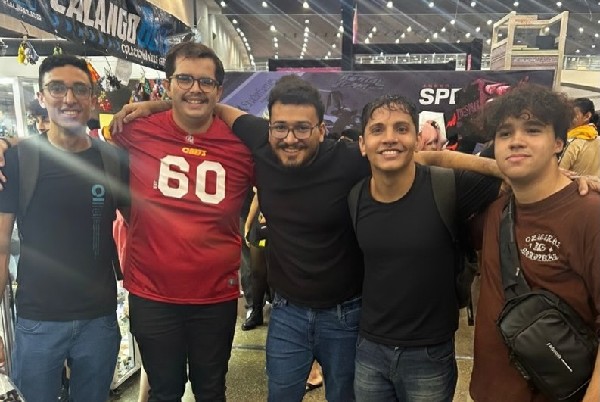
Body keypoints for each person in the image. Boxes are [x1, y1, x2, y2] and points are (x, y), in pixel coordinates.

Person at [111, 74, 503, 402]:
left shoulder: (349, 159)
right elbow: (214, 107)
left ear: (321, 129)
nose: (290, 137)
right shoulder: (261, 142)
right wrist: (157, 105)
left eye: (303, 128)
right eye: (280, 127)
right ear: (269, 126)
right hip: (287, 313)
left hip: (347, 314)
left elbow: (427, 159)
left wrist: (502, 169)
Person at [108, 42, 254, 402]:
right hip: (152, 294)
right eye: (184, 79)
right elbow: (71, 142)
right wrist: (10, 145)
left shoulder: (242, 146)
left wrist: (160, 103)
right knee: (164, 390)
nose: (195, 89)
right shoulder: (135, 130)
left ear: (219, 90)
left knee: (211, 390)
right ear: (169, 83)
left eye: (206, 82)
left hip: (214, 296)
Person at [352, 94, 502, 401]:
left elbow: (518, 180)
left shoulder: (447, 187)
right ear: (363, 144)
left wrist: (568, 180)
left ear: (417, 140)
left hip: (429, 354)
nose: (390, 138)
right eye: (378, 129)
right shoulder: (354, 197)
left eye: (401, 128)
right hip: (369, 350)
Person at [0, 54, 128, 402]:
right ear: (41, 97)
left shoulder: (113, 161)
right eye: (57, 88)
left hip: (99, 319)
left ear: (92, 98)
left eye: (79, 89)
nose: (69, 98)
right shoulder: (18, 160)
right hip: (38, 321)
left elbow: (141, 229)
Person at [470, 84, 600, 401]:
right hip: (490, 392)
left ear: (558, 142)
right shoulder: (496, 210)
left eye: (533, 129)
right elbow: (420, 161)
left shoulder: (589, 214)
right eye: (505, 133)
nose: (516, 140)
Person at [241, 191, 270, 331]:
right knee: (256, 271)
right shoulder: (264, 179)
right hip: (260, 221)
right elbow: (258, 196)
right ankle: (256, 312)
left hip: (281, 222)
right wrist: (248, 224)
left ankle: (280, 311)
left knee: (277, 270)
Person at [559, 97, 600, 176]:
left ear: (587, 116)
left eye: (572, 115)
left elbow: (557, 173)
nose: (568, 119)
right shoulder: (597, 138)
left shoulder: (572, 142)